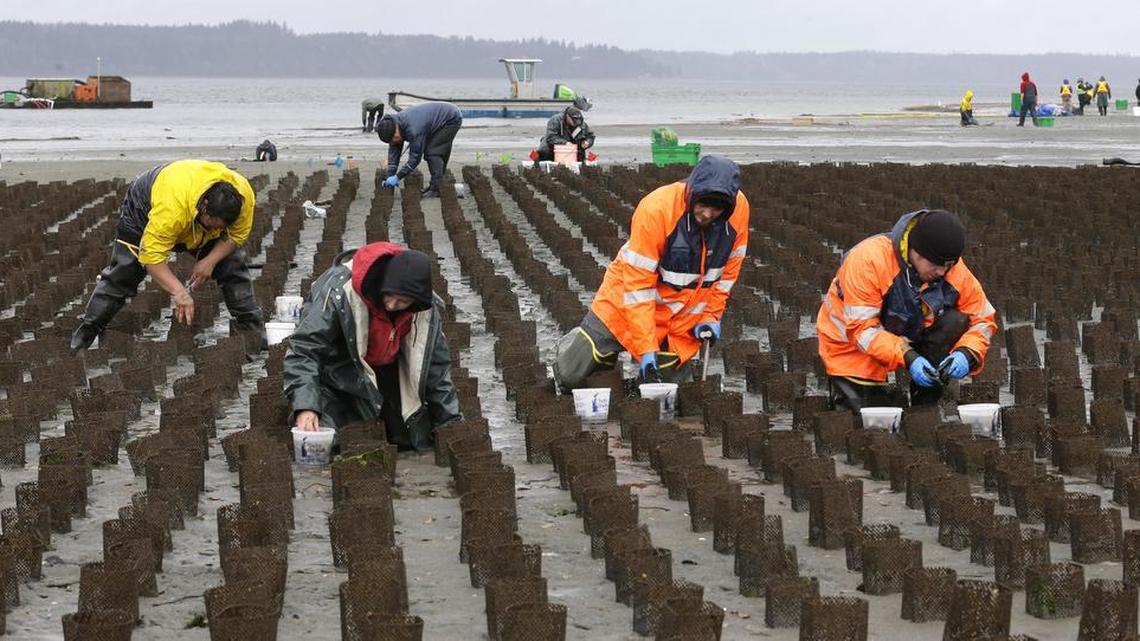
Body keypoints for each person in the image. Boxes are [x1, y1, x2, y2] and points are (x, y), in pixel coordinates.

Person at [552, 156, 750, 391]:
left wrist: (710, 316)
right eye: (702, 204)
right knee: (572, 376)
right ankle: (572, 345)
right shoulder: (657, 210)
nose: (707, 214)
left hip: (678, 319)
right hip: (624, 304)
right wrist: (646, 349)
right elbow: (638, 287)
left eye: (716, 208)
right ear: (691, 192)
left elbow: (726, 276)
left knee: (668, 394)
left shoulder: (738, 212)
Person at [70, 160, 263, 351]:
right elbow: (151, 256)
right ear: (204, 207)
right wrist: (179, 292)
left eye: (221, 227)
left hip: (188, 203)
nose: (216, 230)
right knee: (125, 272)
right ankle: (84, 336)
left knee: (231, 264)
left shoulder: (244, 197)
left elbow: (235, 236)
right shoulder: (171, 210)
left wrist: (210, 261)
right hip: (145, 205)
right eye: (213, 225)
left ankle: (252, 334)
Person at [815, 209, 997, 411]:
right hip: (853, 343)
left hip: (907, 327)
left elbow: (982, 319)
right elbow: (862, 330)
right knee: (867, 424)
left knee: (956, 321)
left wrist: (967, 353)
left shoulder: (948, 266)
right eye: (936, 266)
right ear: (916, 251)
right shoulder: (868, 260)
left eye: (948, 266)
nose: (942, 272)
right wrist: (908, 357)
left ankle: (926, 401)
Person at [284, 242, 460, 450]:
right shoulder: (339, 293)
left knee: (410, 439)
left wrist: (452, 426)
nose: (392, 305)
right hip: (339, 374)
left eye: (402, 301)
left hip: (386, 374)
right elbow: (304, 349)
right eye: (389, 296)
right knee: (335, 440)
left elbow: (437, 371)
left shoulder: (425, 310)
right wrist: (306, 406)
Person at [375, 102, 463, 199]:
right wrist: (391, 175)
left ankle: (435, 189)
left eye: (394, 138)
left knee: (432, 153)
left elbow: (415, 159)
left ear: (396, 129)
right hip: (433, 121)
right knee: (434, 150)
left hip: (450, 118)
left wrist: (397, 177)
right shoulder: (391, 125)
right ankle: (435, 185)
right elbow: (394, 152)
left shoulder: (413, 130)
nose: (394, 141)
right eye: (391, 141)